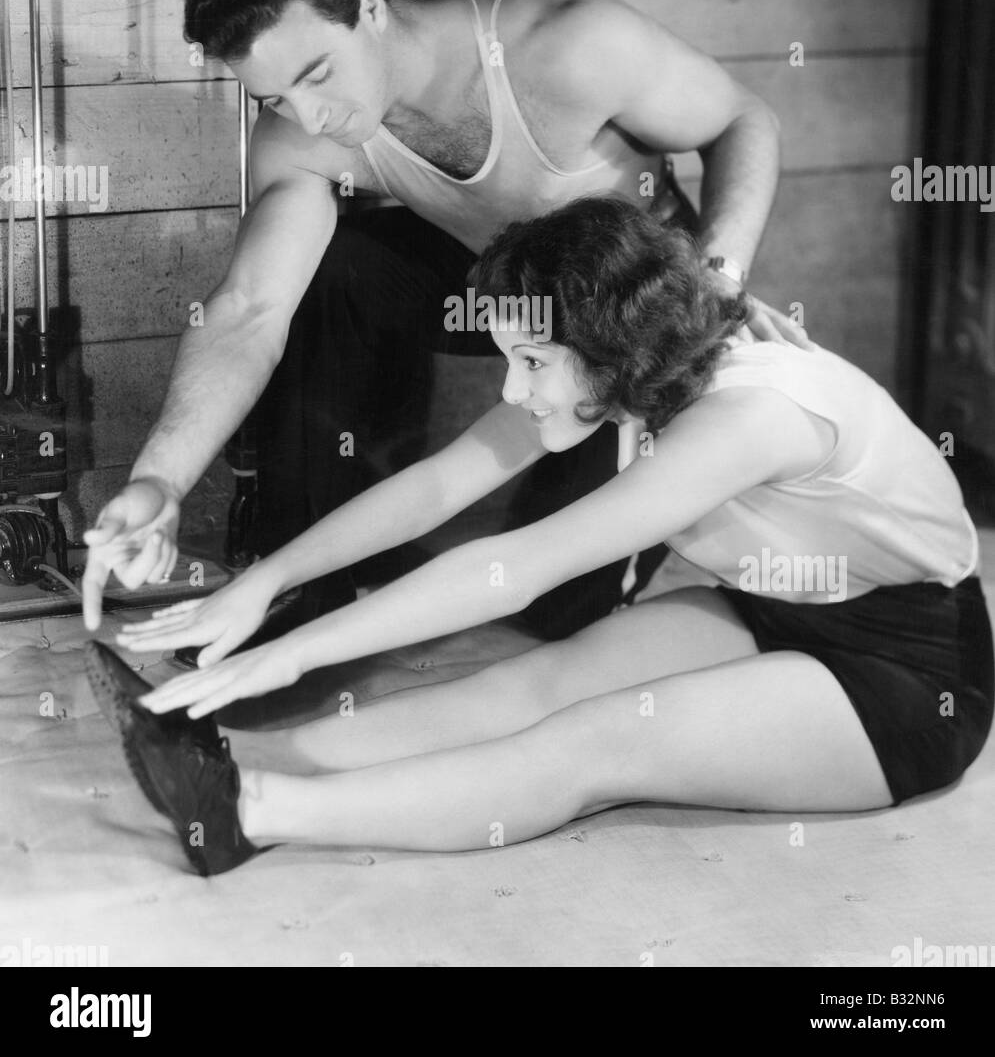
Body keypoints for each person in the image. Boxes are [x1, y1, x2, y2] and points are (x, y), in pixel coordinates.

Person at [87, 196, 992, 876]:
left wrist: (288, 656)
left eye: (529, 363)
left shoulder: (752, 413)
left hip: (909, 671)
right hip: (780, 605)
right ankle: (234, 757)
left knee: (598, 743)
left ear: (603, 341)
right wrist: (264, 582)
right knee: (534, 682)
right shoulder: (634, 367)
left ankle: (253, 813)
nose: (513, 392)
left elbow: (510, 571)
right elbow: (437, 486)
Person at [81, 0, 805, 643]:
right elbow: (247, 310)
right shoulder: (302, 134)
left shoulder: (564, 41)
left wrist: (716, 280)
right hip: (503, 292)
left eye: (316, 75)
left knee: (559, 613)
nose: (309, 115)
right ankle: (303, 594)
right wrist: (159, 480)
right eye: (273, 99)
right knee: (332, 266)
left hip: (627, 313)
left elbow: (743, 121)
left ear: (366, 4)